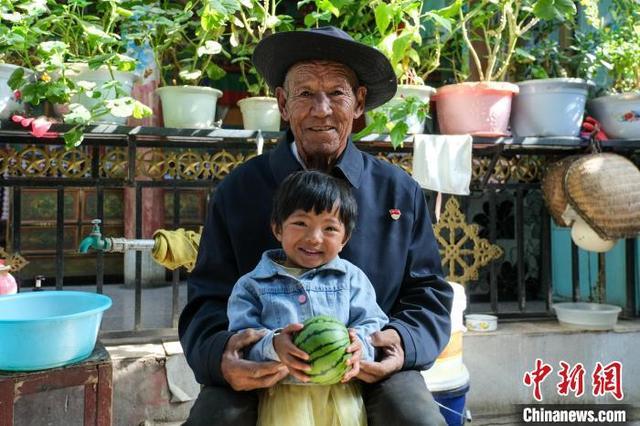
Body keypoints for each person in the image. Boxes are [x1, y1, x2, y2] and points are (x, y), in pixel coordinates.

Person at [180, 26, 453, 426]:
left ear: (359, 103)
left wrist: (399, 342)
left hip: (368, 364)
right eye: (305, 93)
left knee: (416, 419)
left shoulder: (398, 192)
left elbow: (427, 292)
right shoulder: (239, 190)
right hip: (266, 365)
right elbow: (206, 300)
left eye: (337, 93)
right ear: (283, 103)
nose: (321, 109)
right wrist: (223, 355)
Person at [227, 170, 389, 426]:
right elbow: (240, 342)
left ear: (344, 239)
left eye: (330, 228)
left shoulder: (351, 278)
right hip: (281, 398)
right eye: (301, 223)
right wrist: (273, 344)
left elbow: (372, 323)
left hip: (342, 397)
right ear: (278, 228)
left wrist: (360, 348)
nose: (314, 238)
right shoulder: (252, 286)